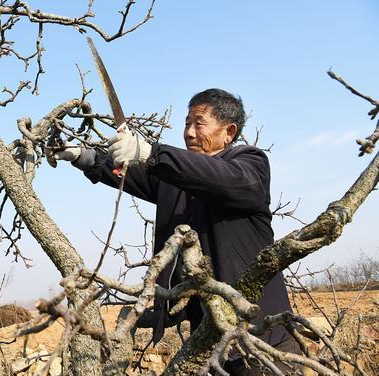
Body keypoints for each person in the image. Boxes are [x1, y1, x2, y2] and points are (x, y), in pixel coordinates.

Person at [50, 88, 297, 374]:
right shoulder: (177, 176)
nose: (189, 133)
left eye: (199, 123)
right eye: (186, 123)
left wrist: (151, 153)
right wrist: (84, 156)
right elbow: (131, 173)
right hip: (209, 344)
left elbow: (217, 177)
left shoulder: (250, 164)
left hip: (262, 342)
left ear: (229, 132)